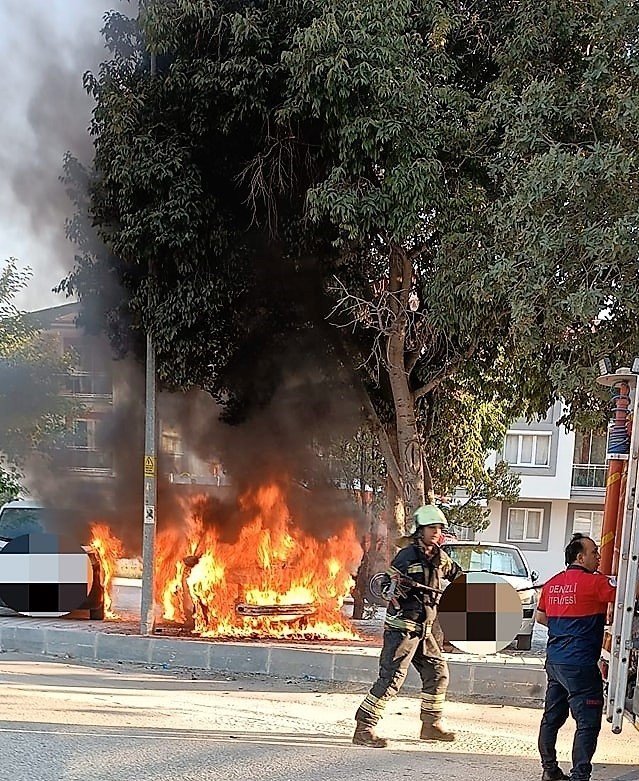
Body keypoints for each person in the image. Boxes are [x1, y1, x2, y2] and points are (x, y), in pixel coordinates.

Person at [352, 504, 461, 748]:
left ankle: (430, 726)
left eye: (439, 528)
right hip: (402, 629)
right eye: (431, 527)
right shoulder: (406, 556)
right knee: (391, 680)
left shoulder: (439, 557)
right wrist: (396, 585)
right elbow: (383, 584)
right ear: (419, 530)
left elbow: (457, 575)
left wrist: (476, 586)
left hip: (424, 630)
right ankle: (364, 727)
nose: (436, 532)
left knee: (437, 673)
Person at [536, 533, 616, 781]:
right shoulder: (595, 583)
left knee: (552, 718)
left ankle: (549, 770)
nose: (599, 556)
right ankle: (580, 776)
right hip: (580, 664)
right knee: (587, 722)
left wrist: (564, 629)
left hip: (556, 662)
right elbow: (627, 592)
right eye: (594, 552)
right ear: (580, 557)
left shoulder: (552, 583)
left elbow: (540, 618)